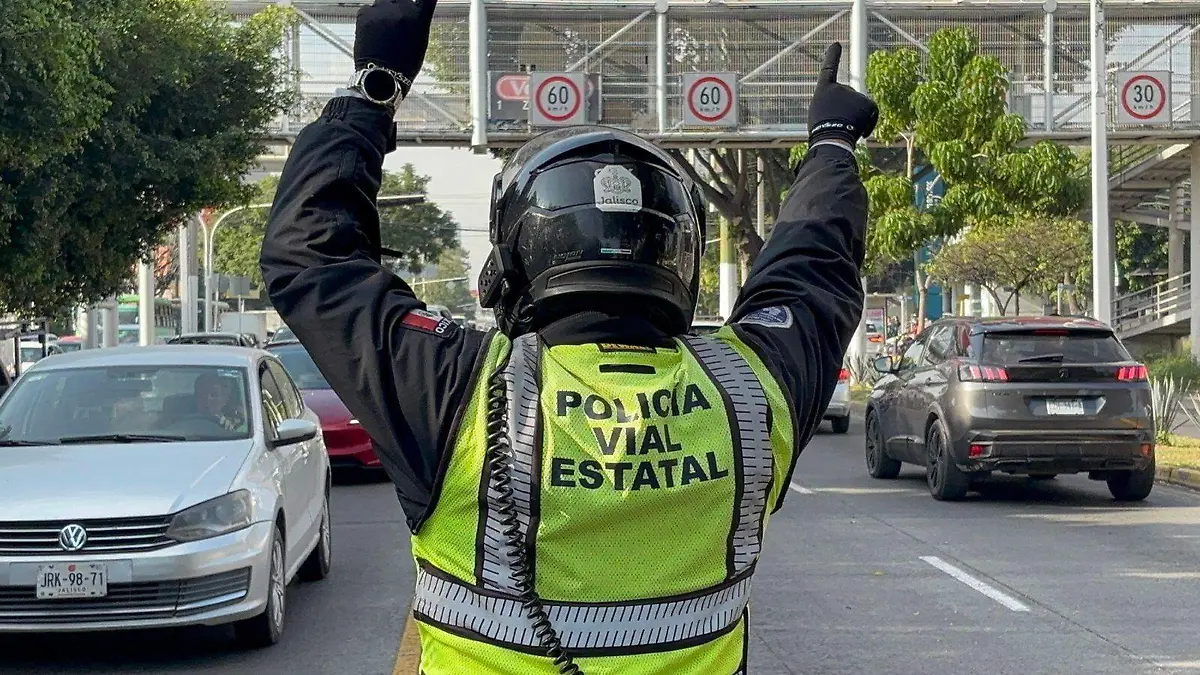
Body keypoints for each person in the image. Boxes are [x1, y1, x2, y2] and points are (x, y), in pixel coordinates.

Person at [259, 1, 877, 672]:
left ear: (515, 259)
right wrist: (832, 146)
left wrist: (374, 83)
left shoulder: (455, 391)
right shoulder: (751, 393)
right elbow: (813, 268)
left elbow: (311, 255)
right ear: (680, 255)